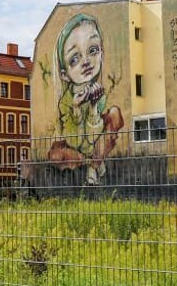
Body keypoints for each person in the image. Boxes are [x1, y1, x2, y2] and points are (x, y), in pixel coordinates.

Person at [51, 13, 123, 184]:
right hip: (77, 147)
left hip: (94, 145)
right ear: (64, 75)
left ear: (101, 53)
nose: (86, 61)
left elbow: (92, 138)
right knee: (56, 154)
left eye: (92, 50)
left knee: (115, 114)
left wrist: (93, 108)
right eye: (74, 59)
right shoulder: (66, 101)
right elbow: (75, 141)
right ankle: (94, 162)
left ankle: (93, 165)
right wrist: (76, 109)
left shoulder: (97, 92)